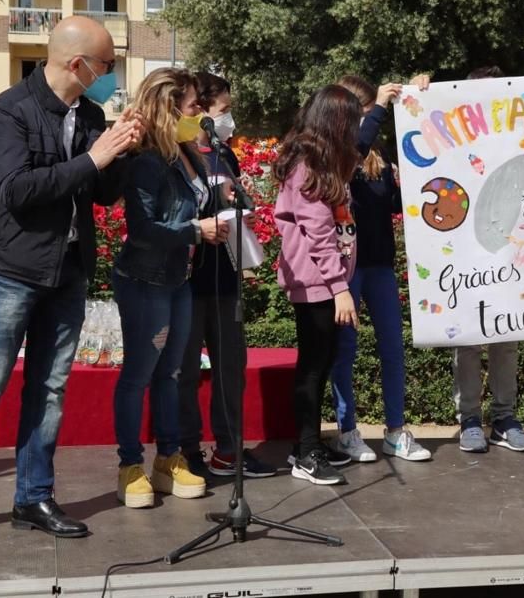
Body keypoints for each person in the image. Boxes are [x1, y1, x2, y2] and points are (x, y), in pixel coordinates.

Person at [0, 16, 142, 543]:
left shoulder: (89, 112)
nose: (111, 74)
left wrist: (125, 148)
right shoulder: (9, 113)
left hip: (67, 269)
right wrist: (95, 156)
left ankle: (34, 497)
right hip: (13, 270)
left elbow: (101, 193)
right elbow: (16, 190)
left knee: (49, 389)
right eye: (108, 65)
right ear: (78, 64)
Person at [113, 68, 230, 508]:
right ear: (168, 106)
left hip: (178, 281)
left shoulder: (189, 153)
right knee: (138, 376)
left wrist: (223, 205)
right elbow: (142, 229)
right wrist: (197, 231)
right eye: (194, 104)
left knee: (173, 373)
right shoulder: (146, 161)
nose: (200, 111)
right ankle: (129, 465)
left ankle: (167, 458)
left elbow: (192, 208)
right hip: (144, 282)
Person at [328, 74, 432, 463]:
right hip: (348, 266)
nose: (375, 115)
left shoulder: (380, 154)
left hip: (379, 264)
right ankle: (347, 431)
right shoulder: (339, 153)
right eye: (370, 109)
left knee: (392, 346)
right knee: (346, 350)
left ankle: (394, 430)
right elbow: (357, 146)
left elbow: (391, 202)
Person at [178, 72, 276, 480]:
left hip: (225, 276)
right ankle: (186, 451)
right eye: (224, 110)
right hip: (186, 282)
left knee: (230, 365)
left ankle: (228, 449)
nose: (228, 119)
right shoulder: (176, 154)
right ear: (199, 109)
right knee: (184, 371)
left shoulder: (226, 156)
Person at [274, 85, 362, 486]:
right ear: (336, 121)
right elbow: (318, 230)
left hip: (328, 281)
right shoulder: (306, 163)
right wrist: (339, 285)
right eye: (353, 120)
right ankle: (306, 452)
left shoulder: (325, 161)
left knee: (323, 361)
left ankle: (307, 443)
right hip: (316, 281)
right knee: (312, 366)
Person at [451, 65, 524, 454]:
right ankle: (469, 418)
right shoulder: (450, 140)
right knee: (467, 339)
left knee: (507, 338)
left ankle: (504, 418)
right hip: (465, 253)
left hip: (510, 252)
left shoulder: (519, 139)